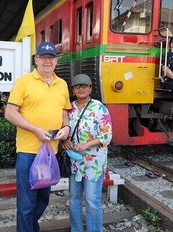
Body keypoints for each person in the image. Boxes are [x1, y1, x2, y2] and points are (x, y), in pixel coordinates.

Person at [4, 41, 72, 232]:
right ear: (36, 60)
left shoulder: (62, 84)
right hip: (28, 153)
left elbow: (64, 111)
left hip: (50, 153)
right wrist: (35, 129)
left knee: (43, 199)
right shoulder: (24, 81)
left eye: (51, 57)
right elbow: (10, 113)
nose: (47, 61)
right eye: (43, 57)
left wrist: (66, 127)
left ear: (56, 61)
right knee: (26, 204)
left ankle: (30, 228)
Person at [62, 74, 112, 232]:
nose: (81, 88)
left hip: (94, 163)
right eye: (77, 86)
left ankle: (94, 229)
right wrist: (65, 141)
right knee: (74, 198)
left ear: (90, 89)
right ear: (73, 90)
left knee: (92, 200)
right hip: (74, 162)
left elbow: (106, 136)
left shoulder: (99, 108)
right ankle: (76, 229)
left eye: (84, 86)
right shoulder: (69, 109)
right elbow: (63, 130)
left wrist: (86, 145)